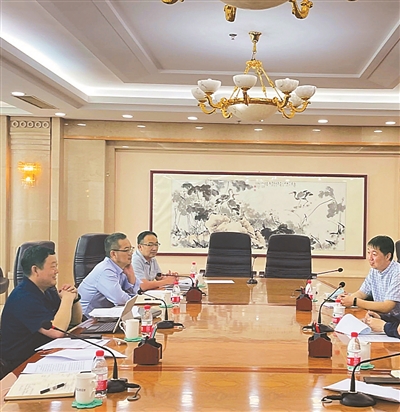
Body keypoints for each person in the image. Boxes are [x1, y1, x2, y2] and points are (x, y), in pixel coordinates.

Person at [0, 245, 82, 376]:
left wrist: (74, 299)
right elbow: (56, 331)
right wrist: (67, 299)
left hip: (43, 356)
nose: (57, 271)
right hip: (20, 365)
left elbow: (75, 322)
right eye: (53, 266)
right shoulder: (24, 297)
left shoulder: (47, 290)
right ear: (35, 270)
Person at [78, 232, 145, 318]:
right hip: (86, 319)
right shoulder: (105, 270)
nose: (130, 253)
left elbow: (133, 295)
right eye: (126, 250)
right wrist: (133, 301)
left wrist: (131, 276)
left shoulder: (121, 268)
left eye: (131, 249)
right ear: (113, 254)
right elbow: (120, 300)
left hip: (105, 315)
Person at [339, 235, 400, 320]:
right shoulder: (374, 270)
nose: (370, 258)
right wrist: (346, 299)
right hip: (379, 316)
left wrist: (355, 301)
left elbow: (387, 306)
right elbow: (362, 293)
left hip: (395, 322)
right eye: (368, 253)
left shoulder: (397, 272)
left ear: (387, 256)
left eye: (374, 254)